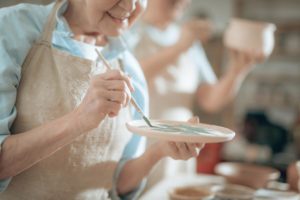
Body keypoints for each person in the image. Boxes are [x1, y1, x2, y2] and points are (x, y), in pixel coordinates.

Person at [0, 0, 204, 199]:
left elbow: (117, 183)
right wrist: (79, 120)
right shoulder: (10, 29)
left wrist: (159, 150)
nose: (130, 6)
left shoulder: (130, 66)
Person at [129, 0, 261, 188]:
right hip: (138, 148)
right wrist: (179, 47)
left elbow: (210, 100)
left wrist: (238, 70)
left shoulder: (187, 39)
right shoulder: (128, 30)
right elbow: (130, 77)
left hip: (180, 147)